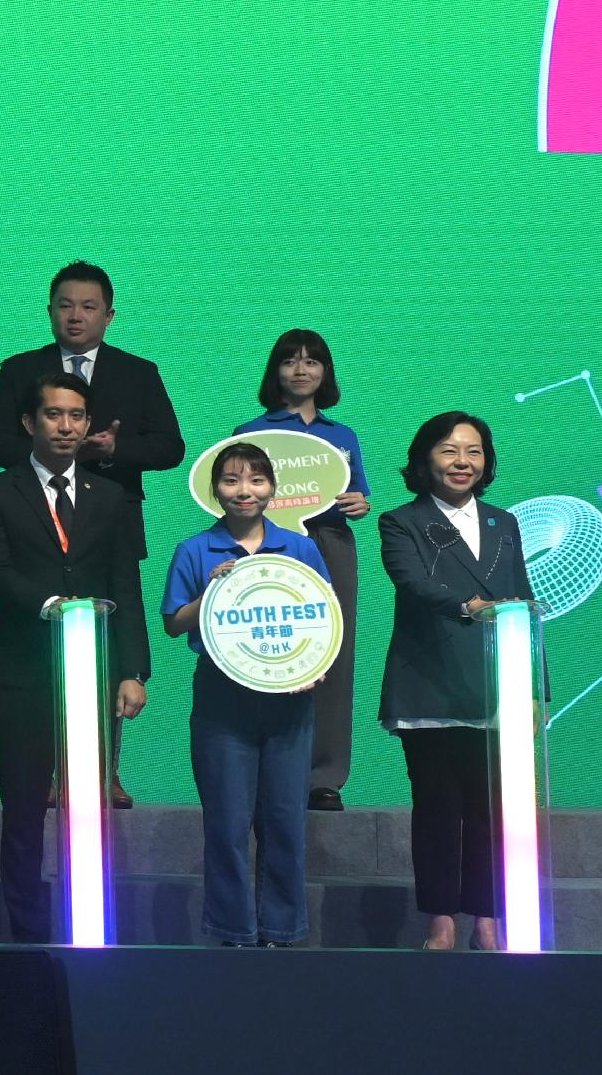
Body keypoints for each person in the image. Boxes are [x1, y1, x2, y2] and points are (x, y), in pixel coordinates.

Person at [0, 260, 186, 806]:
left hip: (107, 520)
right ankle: (43, 771)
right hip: (32, 522)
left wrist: (114, 451)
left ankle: (103, 770)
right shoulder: (20, 368)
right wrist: (51, 452)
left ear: (109, 315)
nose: (76, 315)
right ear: (49, 310)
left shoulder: (138, 371)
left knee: (108, 641)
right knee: (36, 659)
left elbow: (170, 446)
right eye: (66, 304)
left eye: (88, 306)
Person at [0, 372, 154, 943]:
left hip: (93, 671)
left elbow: (125, 581)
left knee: (87, 810)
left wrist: (132, 670)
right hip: (19, 670)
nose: (67, 425)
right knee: (23, 811)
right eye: (54, 415)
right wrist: (54, 606)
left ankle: (88, 928)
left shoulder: (111, 495)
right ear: (30, 423)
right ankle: (26, 934)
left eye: (77, 415)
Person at [380, 411, 536, 951]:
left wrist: (536, 689)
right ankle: (441, 918)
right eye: (449, 451)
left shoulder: (503, 522)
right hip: (431, 685)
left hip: (498, 687)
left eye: (473, 451)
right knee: (438, 809)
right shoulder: (402, 521)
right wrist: (472, 606)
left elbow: (524, 602)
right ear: (426, 459)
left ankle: (487, 920)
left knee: (491, 811)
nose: (461, 462)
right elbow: (413, 582)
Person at [164, 442, 320, 947]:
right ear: (215, 491)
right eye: (231, 481)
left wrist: (315, 669)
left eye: (255, 480)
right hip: (222, 701)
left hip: (289, 700)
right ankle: (233, 930)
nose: (244, 491)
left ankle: (281, 930)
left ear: (273, 487)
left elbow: (323, 620)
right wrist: (209, 595)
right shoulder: (194, 550)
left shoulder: (299, 546)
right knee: (228, 825)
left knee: (284, 822)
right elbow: (172, 623)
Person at [247, 330, 372, 810]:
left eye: (313, 361)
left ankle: (324, 777)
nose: (301, 370)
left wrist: (360, 503)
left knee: (332, 657)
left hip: (331, 544)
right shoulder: (251, 432)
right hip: (268, 546)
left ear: (326, 373)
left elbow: (357, 492)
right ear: (275, 371)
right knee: (267, 648)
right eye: (291, 361)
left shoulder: (342, 436)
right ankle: (267, 768)